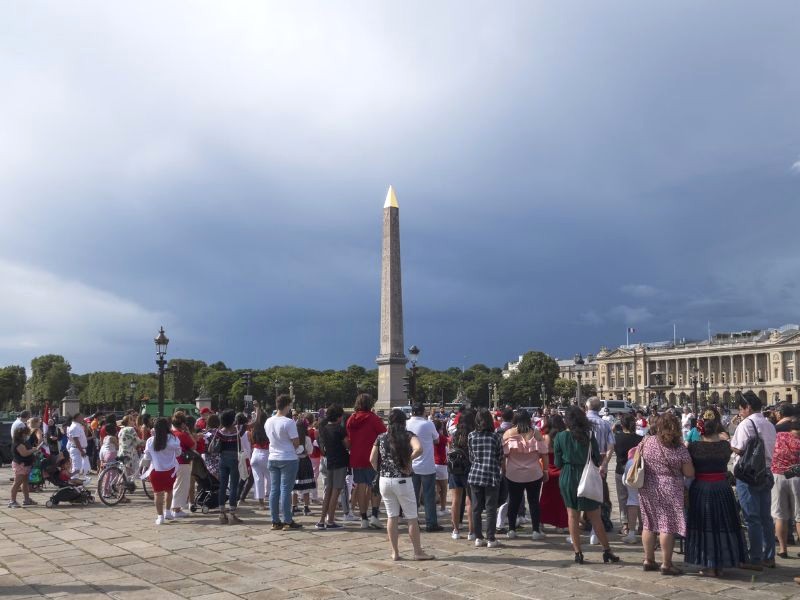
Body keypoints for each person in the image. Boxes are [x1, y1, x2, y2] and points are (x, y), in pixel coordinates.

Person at [685, 408, 747, 576]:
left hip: (701, 488)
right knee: (722, 524)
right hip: (721, 487)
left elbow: (688, 469)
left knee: (704, 525)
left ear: (700, 430)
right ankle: (722, 561)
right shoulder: (725, 446)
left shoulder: (694, 447)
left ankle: (708, 564)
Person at [554, 406, 619, 564]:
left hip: (568, 475)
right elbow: (596, 458)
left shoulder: (560, 436)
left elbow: (557, 462)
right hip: (587, 475)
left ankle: (578, 553)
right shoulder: (589, 435)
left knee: (572, 515)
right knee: (595, 516)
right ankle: (606, 550)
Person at [369, 409, 433, 561]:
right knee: (412, 517)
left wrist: (381, 470)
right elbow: (419, 448)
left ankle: (395, 552)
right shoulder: (408, 435)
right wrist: (407, 460)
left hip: (385, 480)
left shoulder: (381, 437)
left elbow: (372, 459)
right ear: (404, 421)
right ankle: (417, 551)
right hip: (403, 480)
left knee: (392, 516)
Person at [638, 412, 694, 575]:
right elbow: (689, 472)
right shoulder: (678, 448)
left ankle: (648, 560)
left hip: (647, 486)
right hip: (670, 488)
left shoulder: (646, 441)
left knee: (648, 523)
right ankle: (666, 564)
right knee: (666, 525)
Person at [731, 391, 777, 570]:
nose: (740, 412)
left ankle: (755, 558)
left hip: (749, 475)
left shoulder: (746, 424)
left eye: (741, 408)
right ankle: (769, 556)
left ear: (748, 407)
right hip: (766, 472)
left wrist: (728, 442)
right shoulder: (769, 424)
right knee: (766, 516)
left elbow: (740, 449)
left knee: (752, 518)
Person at [502, 410, 548, 540]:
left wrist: (504, 469)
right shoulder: (536, 433)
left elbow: (503, 456)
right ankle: (535, 530)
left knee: (513, 501)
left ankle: (511, 529)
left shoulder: (508, 434)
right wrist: (545, 471)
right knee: (534, 502)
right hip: (534, 473)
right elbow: (544, 454)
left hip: (513, 473)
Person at [346, 393, 386, 530]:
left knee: (360, 487)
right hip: (372, 457)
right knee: (375, 486)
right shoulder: (373, 419)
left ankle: (363, 518)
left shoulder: (351, 419)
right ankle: (374, 515)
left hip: (356, 456)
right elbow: (384, 434)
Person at [468, 410, 504, 548]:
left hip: (475, 474)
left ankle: (478, 537)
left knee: (476, 508)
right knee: (491, 508)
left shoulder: (471, 436)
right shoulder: (495, 437)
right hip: (491, 474)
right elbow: (500, 456)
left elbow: (471, 457)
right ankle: (491, 538)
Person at [266, 394, 301, 530]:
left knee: (274, 490)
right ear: (288, 405)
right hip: (287, 458)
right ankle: (287, 520)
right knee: (286, 490)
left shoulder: (268, 421)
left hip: (273, 457)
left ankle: (275, 520)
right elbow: (296, 442)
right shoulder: (289, 422)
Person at [406, 403, 442, 532]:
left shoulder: (407, 424)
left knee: (412, 496)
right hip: (427, 464)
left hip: (411, 464)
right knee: (429, 496)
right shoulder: (428, 424)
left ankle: (414, 522)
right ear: (423, 412)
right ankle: (431, 523)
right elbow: (437, 440)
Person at [585, 397, 615, 539]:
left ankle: (586, 520)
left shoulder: (582, 423)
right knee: (601, 490)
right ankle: (601, 520)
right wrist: (604, 463)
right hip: (601, 460)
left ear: (587, 406)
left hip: (584, 460)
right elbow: (610, 447)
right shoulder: (605, 424)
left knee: (584, 490)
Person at [142, 417, 182, 525]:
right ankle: (168, 512)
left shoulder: (151, 441)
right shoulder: (173, 439)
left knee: (157, 494)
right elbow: (178, 453)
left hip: (156, 471)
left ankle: (160, 517)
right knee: (169, 491)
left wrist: (143, 470)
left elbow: (147, 457)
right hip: (170, 471)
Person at [770, 417, 800, 559]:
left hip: (778, 476)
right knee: (799, 517)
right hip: (797, 478)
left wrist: (782, 421)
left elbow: (770, 427)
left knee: (780, 515)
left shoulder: (779, 436)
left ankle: (783, 549)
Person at [317, 404, 350, 529]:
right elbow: (347, 444)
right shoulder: (340, 429)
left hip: (328, 460)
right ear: (339, 416)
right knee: (336, 491)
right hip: (340, 461)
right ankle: (330, 520)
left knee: (328, 491)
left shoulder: (324, 428)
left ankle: (321, 520)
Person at [212, 409, 244, 524]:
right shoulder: (237, 431)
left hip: (223, 460)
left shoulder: (220, 432)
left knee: (222, 486)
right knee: (234, 486)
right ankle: (232, 513)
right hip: (234, 459)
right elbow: (253, 423)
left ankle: (221, 513)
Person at [613, 413, 642, 536]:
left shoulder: (617, 438)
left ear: (622, 424)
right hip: (637, 472)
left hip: (621, 470)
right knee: (639, 498)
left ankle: (625, 525)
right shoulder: (640, 439)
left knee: (623, 498)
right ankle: (642, 525)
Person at [539, 414, 569, 534]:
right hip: (562, 470)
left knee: (545, 497)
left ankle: (540, 521)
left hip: (548, 470)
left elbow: (543, 455)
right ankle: (561, 525)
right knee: (562, 499)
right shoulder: (564, 436)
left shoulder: (545, 437)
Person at [448, 409, 475, 540]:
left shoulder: (454, 434)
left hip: (455, 469)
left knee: (455, 500)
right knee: (470, 500)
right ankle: (471, 531)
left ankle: (455, 530)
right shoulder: (473, 435)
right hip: (469, 468)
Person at [170, 411, 196, 518]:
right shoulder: (182, 435)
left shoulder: (171, 434)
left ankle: (175, 508)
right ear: (183, 423)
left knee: (176, 485)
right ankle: (176, 509)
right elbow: (193, 446)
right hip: (183, 462)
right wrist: (189, 433)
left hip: (172, 462)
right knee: (181, 486)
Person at [9, 424, 37, 507]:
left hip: (25, 464)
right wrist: (33, 450)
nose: (27, 435)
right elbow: (24, 453)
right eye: (26, 434)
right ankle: (12, 501)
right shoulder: (18, 444)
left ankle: (27, 499)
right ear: (22, 434)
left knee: (25, 483)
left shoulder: (23, 442)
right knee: (17, 483)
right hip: (20, 465)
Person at [292, 420, 315, 516]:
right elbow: (310, 451)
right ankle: (306, 507)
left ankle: (294, 507)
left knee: (294, 485)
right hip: (305, 462)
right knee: (306, 485)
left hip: (295, 461)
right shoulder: (307, 439)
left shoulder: (293, 438)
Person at [250, 409, 270, 510]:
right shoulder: (267, 428)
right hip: (265, 453)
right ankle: (271, 499)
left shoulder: (255, 429)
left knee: (258, 480)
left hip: (255, 453)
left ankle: (261, 503)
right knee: (271, 478)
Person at [433, 419, 449, 517]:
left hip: (432, 464)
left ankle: (434, 508)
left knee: (435, 488)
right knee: (443, 489)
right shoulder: (441, 437)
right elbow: (449, 441)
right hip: (442, 464)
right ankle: (443, 508)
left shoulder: (430, 437)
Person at [66, 412, 89, 478]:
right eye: (81, 417)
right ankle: (73, 483)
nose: (82, 418)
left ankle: (75, 483)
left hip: (79, 449)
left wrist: (85, 426)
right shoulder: (75, 427)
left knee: (79, 469)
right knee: (76, 468)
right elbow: (76, 440)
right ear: (76, 418)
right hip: (77, 449)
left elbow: (85, 436)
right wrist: (81, 451)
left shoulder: (78, 426)